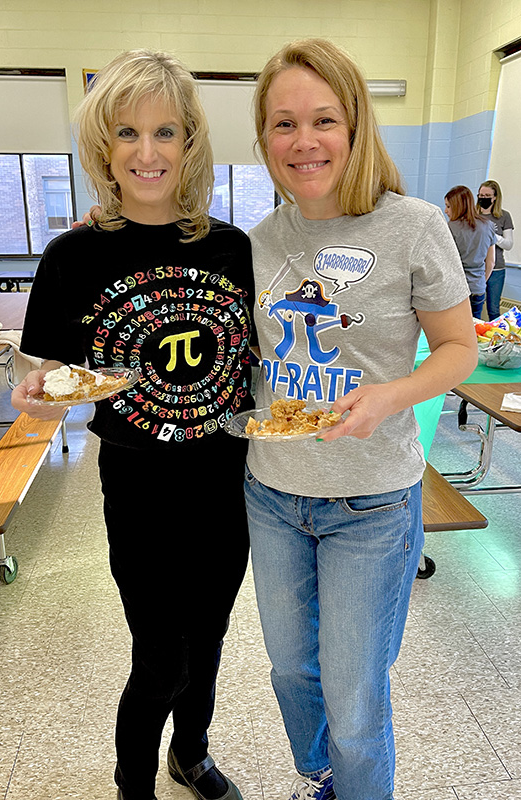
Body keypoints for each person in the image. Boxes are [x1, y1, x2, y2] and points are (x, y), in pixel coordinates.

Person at [11, 49, 255, 800]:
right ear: (102, 148)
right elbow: (43, 376)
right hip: (137, 482)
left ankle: (192, 753)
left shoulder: (232, 247)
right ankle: (132, 784)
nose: (146, 153)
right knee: (160, 653)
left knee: (208, 639)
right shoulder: (71, 253)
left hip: (223, 478)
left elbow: (255, 365)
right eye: (126, 133)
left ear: (190, 144)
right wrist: (42, 396)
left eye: (166, 133)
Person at [244, 39, 478, 800]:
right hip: (273, 492)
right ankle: (322, 780)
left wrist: (389, 395)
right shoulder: (257, 241)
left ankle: (358, 786)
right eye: (283, 124)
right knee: (288, 670)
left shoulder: (410, 224)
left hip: (371, 502)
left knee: (353, 695)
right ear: (263, 136)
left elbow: (456, 350)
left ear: (355, 128)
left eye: (322, 120)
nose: (302, 142)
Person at [444, 185, 496, 318]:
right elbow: (491, 262)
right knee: (475, 329)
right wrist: (480, 282)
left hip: (458, 290)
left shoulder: (451, 227)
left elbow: (447, 263)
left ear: (458, 206)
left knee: (456, 330)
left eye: (448, 206)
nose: (445, 211)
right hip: (478, 288)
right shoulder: (488, 225)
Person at [476, 179, 514, 320]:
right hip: (476, 269)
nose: (483, 199)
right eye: (481, 195)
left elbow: (509, 244)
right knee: (474, 308)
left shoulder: (504, 216)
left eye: (487, 196)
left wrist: (492, 236)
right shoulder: (473, 215)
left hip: (497, 269)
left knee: (493, 309)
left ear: (495, 197)